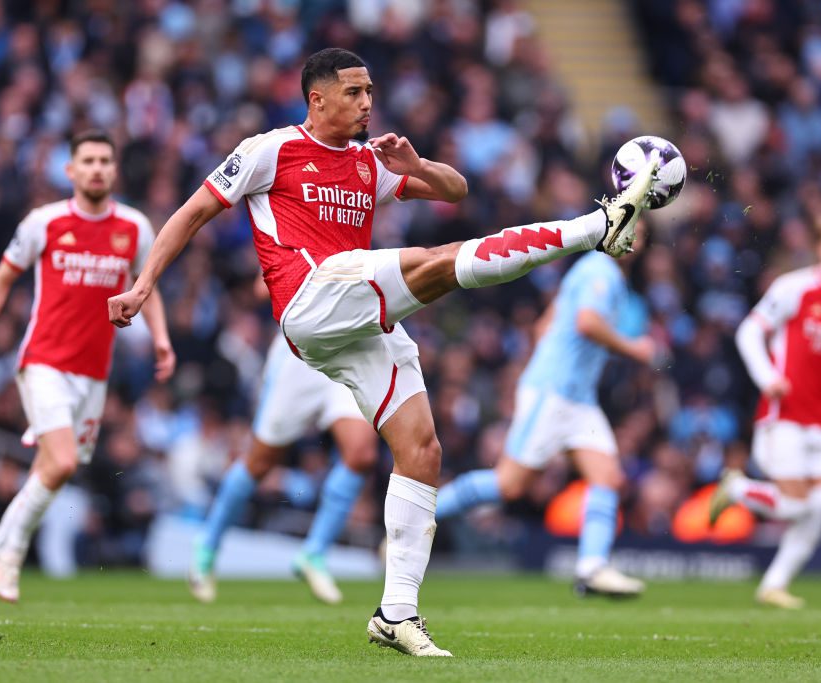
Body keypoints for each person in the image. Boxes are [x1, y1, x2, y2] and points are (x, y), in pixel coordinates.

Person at [108, 48, 659, 656]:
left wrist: (417, 163)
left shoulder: (373, 161)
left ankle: (396, 613)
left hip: (358, 319)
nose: (367, 102)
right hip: (312, 298)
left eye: (370, 90)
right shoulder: (271, 149)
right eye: (354, 92)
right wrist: (143, 283)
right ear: (317, 99)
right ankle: (596, 225)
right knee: (441, 262)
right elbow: (192, 213)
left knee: (421, 449)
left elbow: (457, 188)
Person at [0, 129, 175, 613]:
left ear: (114, 170)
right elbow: (1, 277)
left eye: (105, 160)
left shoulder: (134, 228)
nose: (97, 168)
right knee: (58, 463)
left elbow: (147, 288)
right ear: (70, 170)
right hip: (44, 362)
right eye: (88, 161)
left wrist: (161, 338)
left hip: (94, 375)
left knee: (51, 472)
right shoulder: (45, 222)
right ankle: (11, 556)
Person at [434, 248, 652, 597]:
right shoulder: (602, 271)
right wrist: (633, 348)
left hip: (575, 397)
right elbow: (587, 323)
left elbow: (543, 326)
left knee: (608, 477)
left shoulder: (589, 270)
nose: (637, 238)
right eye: (634, 229)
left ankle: (592, 568)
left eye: (642, 233)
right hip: (554, 393)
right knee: (508, 486)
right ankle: (414, 521)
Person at [711, 210, 821, 609]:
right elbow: (749, 331)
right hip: (785, 413)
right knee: (794, 504)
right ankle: (737, 488)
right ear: (820, 249)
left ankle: (773, 585)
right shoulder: (793, 289)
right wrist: (766, 376)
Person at [189, 280, 379, 606]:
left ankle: (314, 553)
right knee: (260, 462)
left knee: (361, 454)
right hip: (301, 352)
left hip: (349, 346)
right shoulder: (297, 228)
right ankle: (207, 544)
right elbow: (264, 287)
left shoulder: (360, 228)